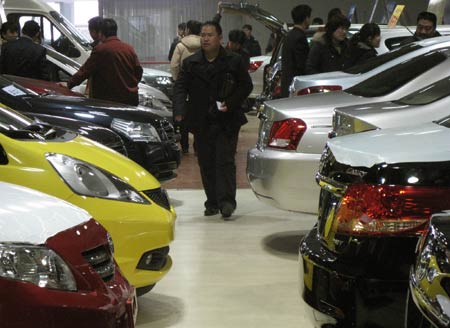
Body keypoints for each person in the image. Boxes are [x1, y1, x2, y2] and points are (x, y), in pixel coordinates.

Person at [173, 21, 252, 219]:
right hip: (201, 120)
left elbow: (246, 86)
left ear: (220, 38)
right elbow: (180, 87)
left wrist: (231, 103)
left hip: (227, 118)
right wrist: (180, 110)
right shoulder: (191, 62)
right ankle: (212, 202)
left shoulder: (233, 61)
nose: (206, 38)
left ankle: (227, 202)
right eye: (203, 35)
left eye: (210, 35)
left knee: (225, 160)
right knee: (206, 162)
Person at [67, 18, 143, 106]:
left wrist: (69, 85)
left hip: (109, 102)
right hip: (131, 99)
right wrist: (129, 86)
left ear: (100, 33)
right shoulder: (129, 48)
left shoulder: (100, 50)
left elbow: (85, 71)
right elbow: (138, 72)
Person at [170, 19, 202, 154]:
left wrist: (178, 80)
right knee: (199, 114)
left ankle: (184, 146)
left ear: (187, 30)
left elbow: (174, 65)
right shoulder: (204, 45)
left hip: (184, 85)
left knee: (182, 115)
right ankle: (197, 145)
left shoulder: (180, 45)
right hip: (200, 84)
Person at [280, 4, 312, 98]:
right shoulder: (300, 37)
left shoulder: (289, 35)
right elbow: (302, 64)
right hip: (295, 86)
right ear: (306, 18)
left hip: (287, 83)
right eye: (309, 18)